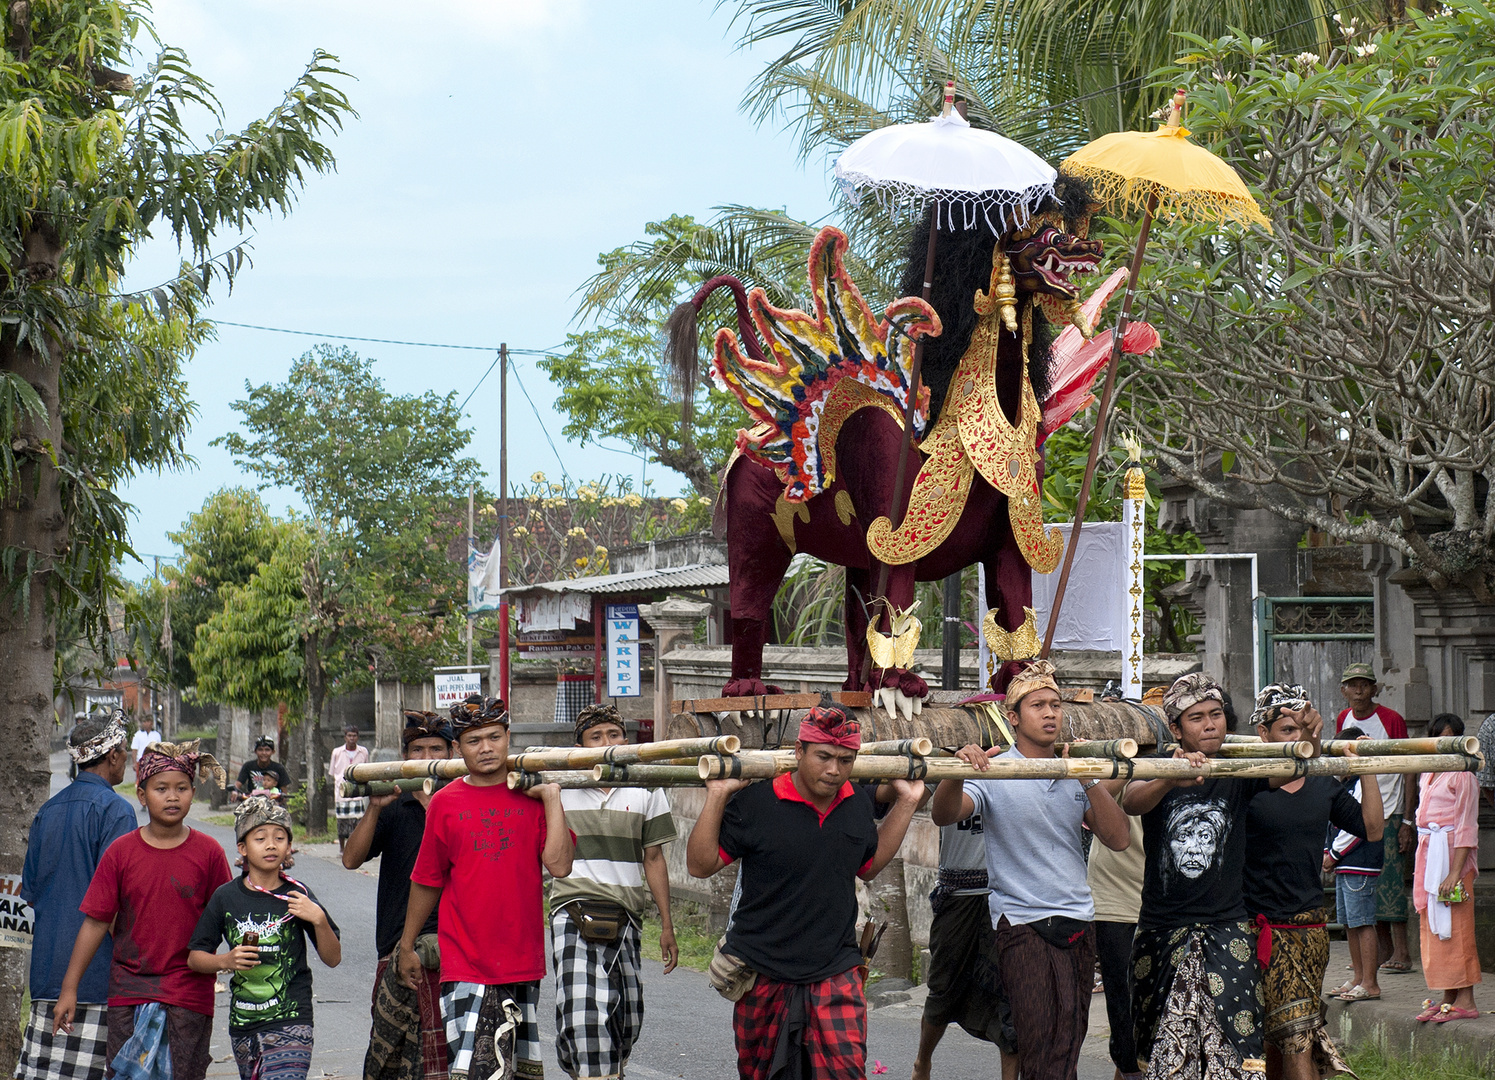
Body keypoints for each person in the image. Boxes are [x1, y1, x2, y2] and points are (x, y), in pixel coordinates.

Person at [686, 698, 925, 1080]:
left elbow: (869, 866)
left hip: (835, 967)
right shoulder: (757, 802)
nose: (834, 770)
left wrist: (908, 803)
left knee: (846, 1071)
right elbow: (700, 866)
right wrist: (717, 794)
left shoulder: (855, 804)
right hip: (762, 968)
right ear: (799, 751)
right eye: (823, 757)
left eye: (846, 760)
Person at [932, 660, 1131, 1080]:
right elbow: (945, 814)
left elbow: (1118, 838)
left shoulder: (1074, 768)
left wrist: (1087, 777)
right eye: (1037, 705)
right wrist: (955, 771)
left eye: (1055, 704)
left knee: (1069, 1045)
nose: (1049, 713)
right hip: (1021, 921)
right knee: (1039, 1045)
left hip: (1078, 916)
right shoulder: (995, 770)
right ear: (1013, 717)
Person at [1123, 675, 1323, 1080]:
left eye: (1216, 715)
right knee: (1163, 1050)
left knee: (1236, 1050)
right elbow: (1131, 800)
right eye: (1196, 718)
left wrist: (1310, 739)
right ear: (1176, 729)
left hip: (1227, 927)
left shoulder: (1238, 772)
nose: (1210, 724)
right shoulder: (1157, 764)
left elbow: (1292, 770)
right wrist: (1170, 777)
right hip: (1163, 930)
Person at [399, 696, 572, 1080]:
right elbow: (427, 879)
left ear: (508, 737)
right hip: (464, 960)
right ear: (458, 748)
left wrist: (552, 796)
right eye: (474, 741)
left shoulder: (535, 797)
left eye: (494, 737)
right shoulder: (445, 803)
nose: (486, 748)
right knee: (476, 1072)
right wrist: (407, 944)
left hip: (520, 959)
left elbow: (560, 864)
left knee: (512, 1072)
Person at [53, 741, 232, 1080]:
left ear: (194, 792)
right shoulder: (121, 853)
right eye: (161, 788)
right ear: (141, 793)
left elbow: (229, 917)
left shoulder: (209, 853)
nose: (172, 796)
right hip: (129, 993)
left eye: (182, 788)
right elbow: (95, 922)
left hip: (189, 996)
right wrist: (69, 989)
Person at [1246, 697, 1379, 1080]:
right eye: (1288, 730)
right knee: (1275, 1036)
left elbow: (1371, 829)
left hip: (1309, 930)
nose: (1299, 740)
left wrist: (1366, 767)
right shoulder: (1248, 783)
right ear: (1263, 734)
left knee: (1297, 1033)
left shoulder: (1322, 785)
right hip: (1256, 929)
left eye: (1305, 731)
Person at [549, 703, 678, 1080]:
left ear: (626, 738)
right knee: (584, 1010)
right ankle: (593, 1070)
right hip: (571, 907)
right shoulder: (560, 785)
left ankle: (596, 1065)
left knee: (628, 1015)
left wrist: (667, 924)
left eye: (614, 734)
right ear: (581, 745)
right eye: (596, 737)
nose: (607, 743)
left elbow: (653, 857)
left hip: (626, 911)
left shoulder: (645, 784)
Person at [17, 713, 137, 1080]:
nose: (128, 758)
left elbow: (31, 895)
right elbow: (117, 903)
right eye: (125, 751)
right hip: (96, 980)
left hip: (46, 976)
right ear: (113, 755)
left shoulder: (47, 811)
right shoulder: (116, 811)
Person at [189, 797, 342, 1080]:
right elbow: (195, 957)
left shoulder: (298, 894)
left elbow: (333, 958)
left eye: (279, 837)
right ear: (243, 848)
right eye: (260, 838)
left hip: (292, 1019)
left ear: (288, 847)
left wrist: (318, 918)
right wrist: (226, 960)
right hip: (244, 1022)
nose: (271, 844)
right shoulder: (226, 897)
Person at [347, 712, 454, 1080]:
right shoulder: (394, 803)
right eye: (417, 749)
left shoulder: (461, 801)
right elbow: (350, 859)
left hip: (456, 946)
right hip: (397, 944)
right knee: (393, 1057)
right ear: (405, 756)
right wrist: (375, 808)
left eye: (435, 749)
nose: (426, 756)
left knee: (454, 1055)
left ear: (452, 753)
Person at [911, 802, 1017, 1080]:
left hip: (1010, 895)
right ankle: (922, 1062)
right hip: (958, 896)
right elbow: (918, 798)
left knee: (1011, 998)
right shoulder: (949, 761)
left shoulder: (1021, 761)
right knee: (943, 987)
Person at [1334, 663, 1414, 975]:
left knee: (1392, 883)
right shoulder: (1344, 718)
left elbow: (1408, 767)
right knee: (1368, 884)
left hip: (1390, 809)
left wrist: (1407, 820)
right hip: (1357, 808)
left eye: (1363, 685)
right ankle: (1380, 951)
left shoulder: (1391, 719)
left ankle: (1403, 952)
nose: (1358, 691)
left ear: (1374, 688)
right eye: (1351, 685)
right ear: (1344, 690)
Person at [1412, 713, 1481, 1024]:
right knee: (1434, 927)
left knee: (1457, 925)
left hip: (1452, 855)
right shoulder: (1427, 772)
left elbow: (1467, 826)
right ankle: (1447, 995)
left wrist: (1454, 873)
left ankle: (1466, 999)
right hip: (1429, 853)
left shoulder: (1464, 774)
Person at [1322, 723, 1385, 1007]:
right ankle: (1358, 976)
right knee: (1349, 922)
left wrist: (1332, 855)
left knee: (1362, 922)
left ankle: (1370, 982)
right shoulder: (1343, 785)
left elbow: (1358, 827)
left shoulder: (1362, 784)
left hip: (1360, 862)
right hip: (1345, 864)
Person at [1088, 794, 1146, 1080]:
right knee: (1125, 1015)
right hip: (1117, 899)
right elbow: (1091, 796)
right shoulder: (1115, 753)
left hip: (1174, 902)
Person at [331, 725, 372, 853]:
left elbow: (366, 769)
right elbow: (333, 771)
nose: (352, 738)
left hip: (358, 791)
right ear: (345, 737)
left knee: (358, 821)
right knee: (342, 822)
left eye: (354, 736)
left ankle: (355, 848)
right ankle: (342, 848)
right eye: (349, 736)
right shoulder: (337, 752)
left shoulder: (363, 751)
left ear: (357, 737)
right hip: (342, 791)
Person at [237, 738, 293, 803]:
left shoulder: (279, 768)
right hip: (252, 803)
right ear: (255, 751)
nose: (264, 753)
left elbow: (284, 790)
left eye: (267, 750)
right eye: (260, 750)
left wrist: (281, 800)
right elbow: (239, 782)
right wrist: (235, 791)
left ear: (273, 752)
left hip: (272, 803)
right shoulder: (248, 766)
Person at [129, 713, 162, 778]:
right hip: (141, 761)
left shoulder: (156, 735)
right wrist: (134, 763)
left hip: (153, 761)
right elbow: (134, 749)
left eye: (147, 721)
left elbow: (159, 749)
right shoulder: (137, 735)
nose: (145, 723)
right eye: (144, 722)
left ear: (151, 723)